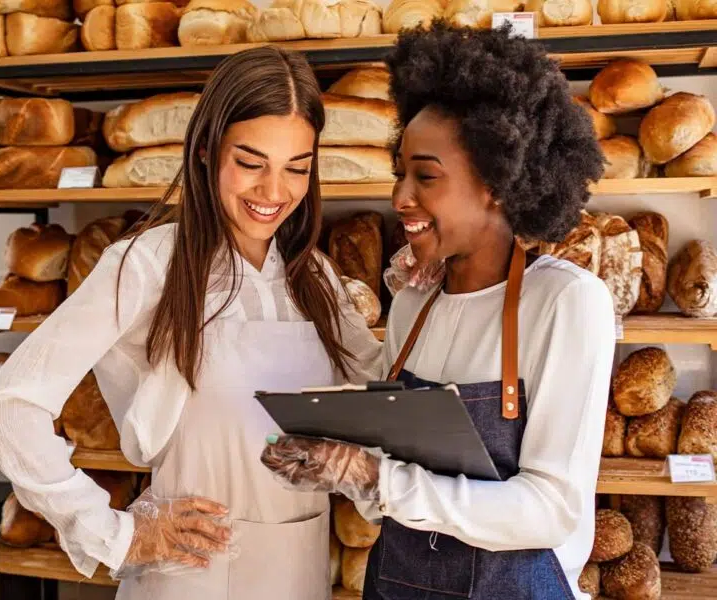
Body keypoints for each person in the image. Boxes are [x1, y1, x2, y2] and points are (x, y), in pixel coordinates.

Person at [0, 46, 384, 600]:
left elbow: (382, 399)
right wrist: (116, 535)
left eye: (297, 168)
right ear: (206, 153)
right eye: (250, 162)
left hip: (300, 570)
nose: (274, 192)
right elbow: (9, 406)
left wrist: (423, 298)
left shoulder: (314, 276)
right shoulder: (145, 265)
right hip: (192, 574)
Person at [261, 23, 615, 600]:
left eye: (425, 176)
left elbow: (548, 511)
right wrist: (341, 470)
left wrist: (372, 474)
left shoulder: (566, 303)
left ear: (497, 183)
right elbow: (395, 499)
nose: (400, 195)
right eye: (400, 172)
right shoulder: (412, 302)